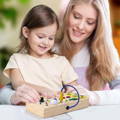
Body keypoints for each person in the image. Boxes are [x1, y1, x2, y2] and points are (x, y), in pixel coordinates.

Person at [0, 0, 120, 105]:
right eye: (76, 17)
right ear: (68, 13)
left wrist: (92, 97)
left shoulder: (106, 55)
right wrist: (13, 97)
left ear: (98, 25)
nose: (80, 26)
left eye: (90, 22)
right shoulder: (46, 49)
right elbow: (10, 89)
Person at [0, 4, 80, 104]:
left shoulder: (61, 62)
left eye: (51, 38)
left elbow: (73, 87)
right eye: (41, 36)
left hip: (54, 112)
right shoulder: (16, 59)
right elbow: (18, 84)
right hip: (24, 112)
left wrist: (73, 92)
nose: (46, 42)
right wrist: (43, 90)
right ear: (26, 32)